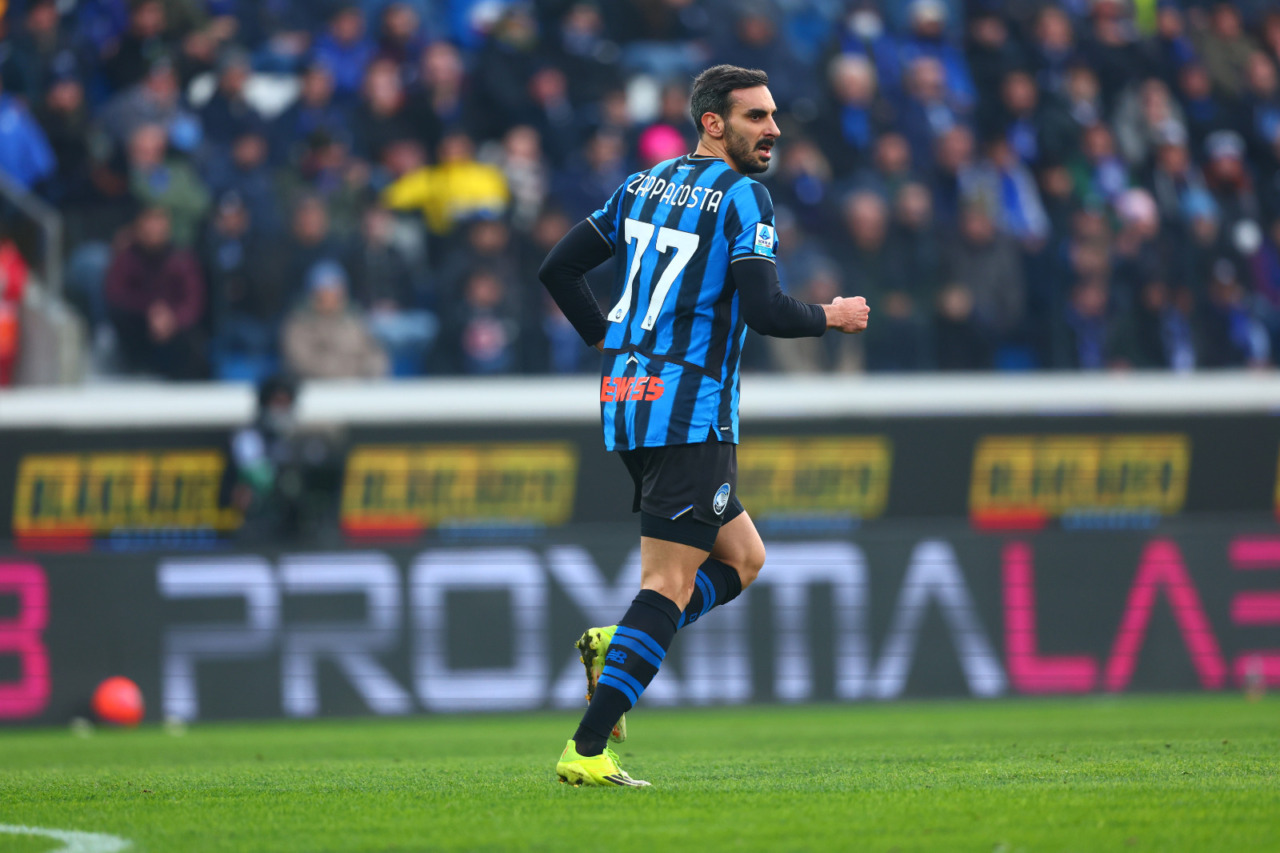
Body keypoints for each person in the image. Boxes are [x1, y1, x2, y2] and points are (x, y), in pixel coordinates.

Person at [537, 65, 869, 788]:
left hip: (628, 401)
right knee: (666, 584)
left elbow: (558, 268)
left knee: (743, 558)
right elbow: (766, 310)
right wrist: (833, 316)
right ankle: (586, 749)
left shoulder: (642, 184)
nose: (773, 129)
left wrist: (608, 338)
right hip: (691, 412)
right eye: (756, 117)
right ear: (712, 123)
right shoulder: (745, 196)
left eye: (773, 116)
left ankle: (617, 644)